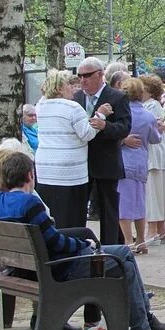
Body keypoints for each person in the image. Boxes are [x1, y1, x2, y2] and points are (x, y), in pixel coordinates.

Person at [0, 152, 165, 330]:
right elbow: (55, 242)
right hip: (60, 268)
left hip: (29, 269)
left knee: (122, 255)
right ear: (30, 175)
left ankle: (144, 326)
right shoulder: (30, 203)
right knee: (124, 257)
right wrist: (83, 245)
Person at [74, 57, 132, 245]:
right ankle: (80, 247)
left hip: (107, 162)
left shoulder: (117, 97)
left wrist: (105, 126)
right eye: (80, 76)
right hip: (82, 162)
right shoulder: (76, 98)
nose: (83, 80)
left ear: (100, 75)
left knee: (108, 209)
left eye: (87, 76)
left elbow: (125, 128)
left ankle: (110, 249)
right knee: (80, 207)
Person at [35, 69, 101, 229]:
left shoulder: (40, 105)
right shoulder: (73, 107)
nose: (72, 88)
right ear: (59, 88)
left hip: (45, 169)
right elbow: (86, 134)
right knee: (72, 217)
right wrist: (101, 116)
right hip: (71, 171)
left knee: (51, 214)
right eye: (68, 85)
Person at [118, 78, 161, 254]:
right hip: (141, 162)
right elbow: (155, 139)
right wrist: (159, 128)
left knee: (124, 205)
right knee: (140, 203)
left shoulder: (121, 114)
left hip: (123, 162)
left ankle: (128, 241)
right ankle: (141, 240)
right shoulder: (148, 115)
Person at [139, 74, 165, 245]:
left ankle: (152, 230)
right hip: (158, 155)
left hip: (153, 155)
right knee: (158, 191)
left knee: (152, 192)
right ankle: (162, 230)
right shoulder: (153, 106)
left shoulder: (150, 106)